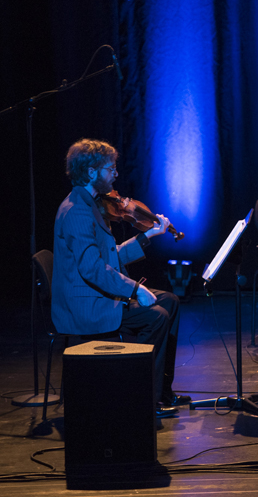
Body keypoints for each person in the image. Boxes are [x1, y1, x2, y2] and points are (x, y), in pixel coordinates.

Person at [51, 139, 186, 419]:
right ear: (91, 172)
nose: (115, 174)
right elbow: (92, 269)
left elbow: (110, 257)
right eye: (110, 168)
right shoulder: (77, 210)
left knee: (170, 301)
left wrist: (147, 236)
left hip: (97, 295)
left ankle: (161, 392)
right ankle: (139, 397)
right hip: (87, 306)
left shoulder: (91, 203)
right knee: (156, 316)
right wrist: (135, 289)